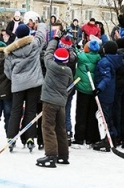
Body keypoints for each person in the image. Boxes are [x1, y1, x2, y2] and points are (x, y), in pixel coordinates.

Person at [4, 13, 46, 153]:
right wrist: (39, 22)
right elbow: (41, 35)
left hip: (17, 85)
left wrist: (15, 78)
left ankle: (11, 139)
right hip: (34, 83)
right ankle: (29, 138)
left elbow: (7, 71)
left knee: (15, 111)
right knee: (31, 110)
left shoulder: (11, 50)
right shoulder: (34, 45)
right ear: (28, 33)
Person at [36, 32, 73, 168]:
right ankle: (63, 155)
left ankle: (51, 155)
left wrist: (55, 39)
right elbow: (70, 83)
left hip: (50, 102)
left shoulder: (51, 66)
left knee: (48, 127)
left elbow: (48, 53)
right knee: (61, 129)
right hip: (61, 103)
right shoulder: (68, 71)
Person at [92, 41, 123, 151]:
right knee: (109, 116)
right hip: (112, 92)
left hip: (105, 93)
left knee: (105, 117)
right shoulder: (116, 59)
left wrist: (99, 88)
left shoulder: (104, 62)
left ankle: (107, 139)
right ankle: (112, 137)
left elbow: (106, 77)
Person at [72, 40, 101, 148]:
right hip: (93, 90)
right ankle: (90, 138)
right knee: (91, 114)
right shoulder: (98, 57)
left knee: (81, 114)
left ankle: (79, 138)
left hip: (82, 89)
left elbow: (75, 52)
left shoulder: (82, 57)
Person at [57, 35, 77, 146]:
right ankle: (68, 131)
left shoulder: (61, 56)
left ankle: (63, 131)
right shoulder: (74, 56)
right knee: (67, 110)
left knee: (61, 110)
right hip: (70, 86)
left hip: (61, 87)